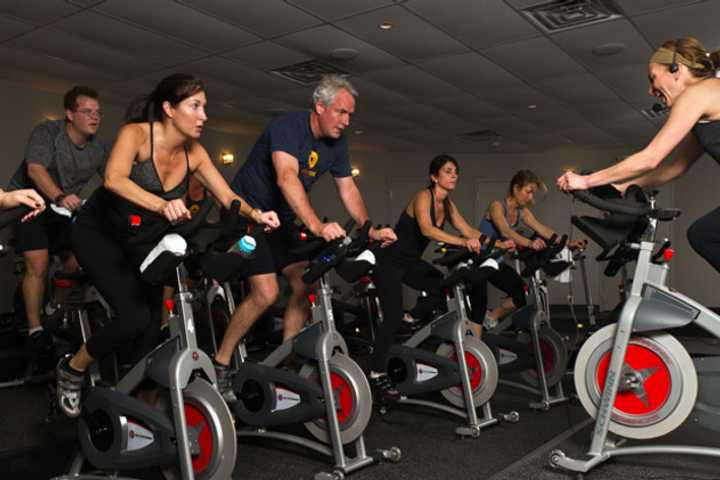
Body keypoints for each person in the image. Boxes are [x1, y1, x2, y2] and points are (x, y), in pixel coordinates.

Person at [55, 73, 279, 417]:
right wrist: (161, 204)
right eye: (195, 106)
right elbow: (114, 178)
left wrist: (256, 214)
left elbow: (227, 196)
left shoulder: (196, 154)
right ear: (169, 109)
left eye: (204, 107)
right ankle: (73, 368)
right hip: (98, 233)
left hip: (141, 240)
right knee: (132, 318)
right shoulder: (137, 134)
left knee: (149, 332)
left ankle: (139, 413)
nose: (204, 115)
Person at [215, 75, 396, 378]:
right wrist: (315, 225)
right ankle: (221, 361)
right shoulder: (287, 127)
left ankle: (285, 363)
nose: (347, 121)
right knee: (267, 293)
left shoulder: (338, 144)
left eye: (350, 114)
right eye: (341, 112)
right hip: (248, 216)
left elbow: (348, 189)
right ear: (320, 106)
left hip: (281, 221)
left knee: (304, 283)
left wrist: (369, 230)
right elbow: (287, 177)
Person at [557, 36, 720, 275]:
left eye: (653, 78)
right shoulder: (704, 105)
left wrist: (586, 181)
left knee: (704, 235)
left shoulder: (698, 93)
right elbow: (674, 168)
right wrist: (622, 186)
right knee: (703, 234)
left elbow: (650, 157)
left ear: (677, 70)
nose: (650, 90)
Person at [368, 154, 514, 400]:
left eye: (455, 171)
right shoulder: (423, 197)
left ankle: (410, 317)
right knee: (391, 315)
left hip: (410, 262)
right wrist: (464, 242)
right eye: (448, 171)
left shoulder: (448, 204)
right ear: (434, 176)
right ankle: (375, 372)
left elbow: (468, 230)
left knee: (442, 286)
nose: (454, 174)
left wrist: (499, 243)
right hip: (388, 261)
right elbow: (428, 229)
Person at [6, 86, 108, 359]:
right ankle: (35, 329)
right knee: (37, 265)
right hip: (31, 206)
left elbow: (113, 180)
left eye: (98, 113)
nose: (95, 117)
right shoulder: (47, 133)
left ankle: (54, 308)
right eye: (87, 112)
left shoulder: (98, 148)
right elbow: (35, 170)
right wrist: (60, 196)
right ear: (70, 114)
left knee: (76, 262)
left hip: (64, 212)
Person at [478, 170, 585, 329]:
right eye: (528, 192)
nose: (530, 197)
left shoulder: (522, 212)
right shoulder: (497, 206)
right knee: (483, 301)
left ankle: (491, 317)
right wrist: (530, 243)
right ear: (516, 189)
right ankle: (484, 319)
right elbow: (505, 231)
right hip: (481, 258)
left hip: (497, 261)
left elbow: (543, 230)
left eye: (532, 193)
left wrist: (567, 243)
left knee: (522, 294)